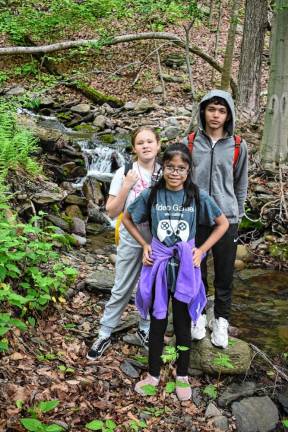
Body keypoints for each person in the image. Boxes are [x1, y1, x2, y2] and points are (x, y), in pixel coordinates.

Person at [122, 143, 229, 401]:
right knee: (157, 321)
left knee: (182, 323)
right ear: (163, 167)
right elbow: (126, 218)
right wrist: (145, 244)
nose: (175, 173)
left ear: (188, 170)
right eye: (170, 167)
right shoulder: (152, 194)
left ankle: (182, 375)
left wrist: (201, 250)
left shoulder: (196, 195)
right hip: (159, 266)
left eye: (181, 169)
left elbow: (222, 223)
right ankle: (153, 374)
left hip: (184, 268)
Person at [86, 126, 161, 360]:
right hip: (130, 238)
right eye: (140, 143)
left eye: (150, 141)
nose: (146, 146)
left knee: (150, 288)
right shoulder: (124, 172)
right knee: (121, 288)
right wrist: (127, 185)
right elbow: (110, 211)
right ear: (134, 148)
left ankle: (145, 328)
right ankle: (104, 332)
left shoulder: (166, 172)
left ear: (158, 145)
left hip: (157, 241)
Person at [185, 89, 248, 349]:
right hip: (195, 216)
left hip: (227, 217)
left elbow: (241, 184)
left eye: (221, 111)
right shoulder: (190, 142)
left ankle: (221, 319)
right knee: (195, 269)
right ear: (203, 111)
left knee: (224, 272)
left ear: (228, 114)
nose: (216, 115)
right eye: (211, 109)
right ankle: (197, 315)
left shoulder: (237, 145)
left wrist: (238, 214)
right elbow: (180, 178)